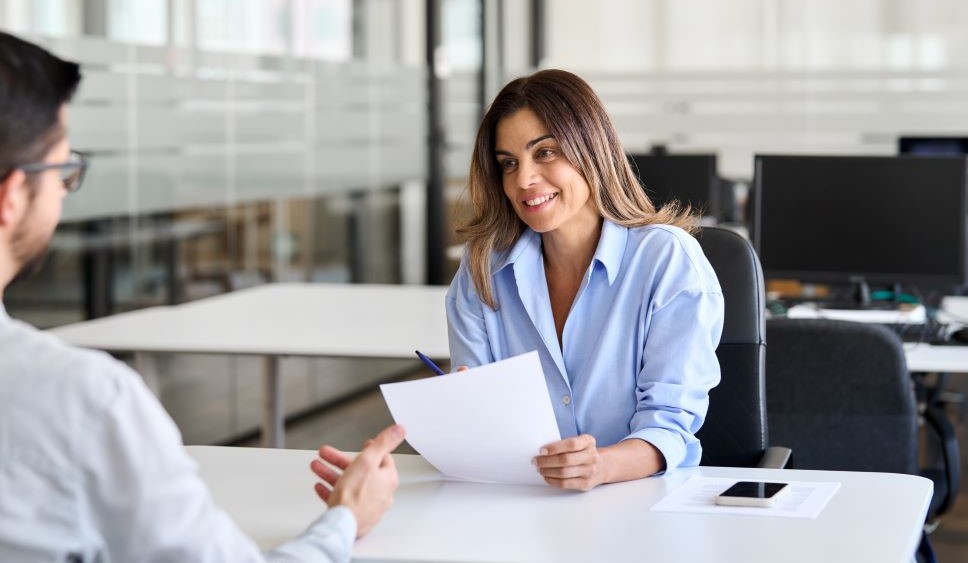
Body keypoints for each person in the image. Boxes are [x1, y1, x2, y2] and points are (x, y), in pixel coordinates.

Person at [0, 31, 404, 561]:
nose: (63, 192)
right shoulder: (83, 403)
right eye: (62, 172)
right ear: (10, 196)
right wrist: (347, 517)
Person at [446, 69, 723, 491]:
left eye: (545, 153)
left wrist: (602, 466)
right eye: (509, 163)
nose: (524, 180)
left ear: (590, 149)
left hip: (638, 503)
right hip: (518, 503)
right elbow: (479, 428)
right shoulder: (483, 269)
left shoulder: (665, 260)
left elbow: (669, 429)